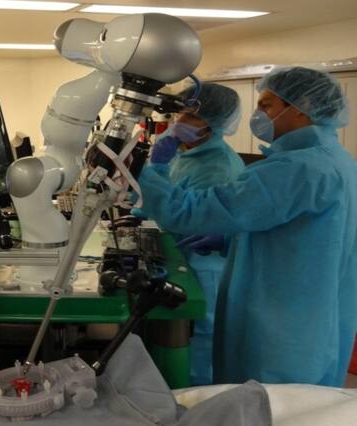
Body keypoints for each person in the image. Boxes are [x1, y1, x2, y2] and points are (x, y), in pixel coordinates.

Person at [136, 66, 357, 387]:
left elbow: (185, 212)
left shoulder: (294, 169)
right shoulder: (338, 160)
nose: (258, 114)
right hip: (317, 321)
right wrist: (230, 240)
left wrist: (144, 170)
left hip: (280, 329)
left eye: (266, 105)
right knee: (308, 404)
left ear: (303, 107)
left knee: (263, 404)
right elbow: (310, 235)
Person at [141, 83, 245, 385]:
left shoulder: (218, 166)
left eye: (191, 115)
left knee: (199, 345)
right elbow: (168, 197)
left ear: (214, 123)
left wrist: (155, 170)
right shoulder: (185, 154)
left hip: (205, 268)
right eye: (180, 113)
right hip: (184, 258)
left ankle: (197, 400)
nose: (181, 121)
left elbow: (185, 216)